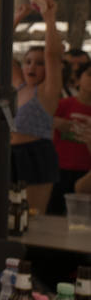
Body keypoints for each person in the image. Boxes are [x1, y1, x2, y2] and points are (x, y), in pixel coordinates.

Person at [12, 0, 65, 215]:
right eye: (28, 61)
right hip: (11, 153)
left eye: (39, 63)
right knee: (10, 216)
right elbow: (0, 50)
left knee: (33, 216)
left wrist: (49, 18)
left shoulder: (47, 92)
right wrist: (17, 17)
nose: (32, 66)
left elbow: (53, 55)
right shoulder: (19, 86)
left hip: (36, 154)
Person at [52, 64, 91, 215]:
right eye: (89, 74)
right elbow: (41, 120)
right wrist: (56, 122)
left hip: (86, 173)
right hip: (60, 168)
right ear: (78, 79)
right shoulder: (64, 104)